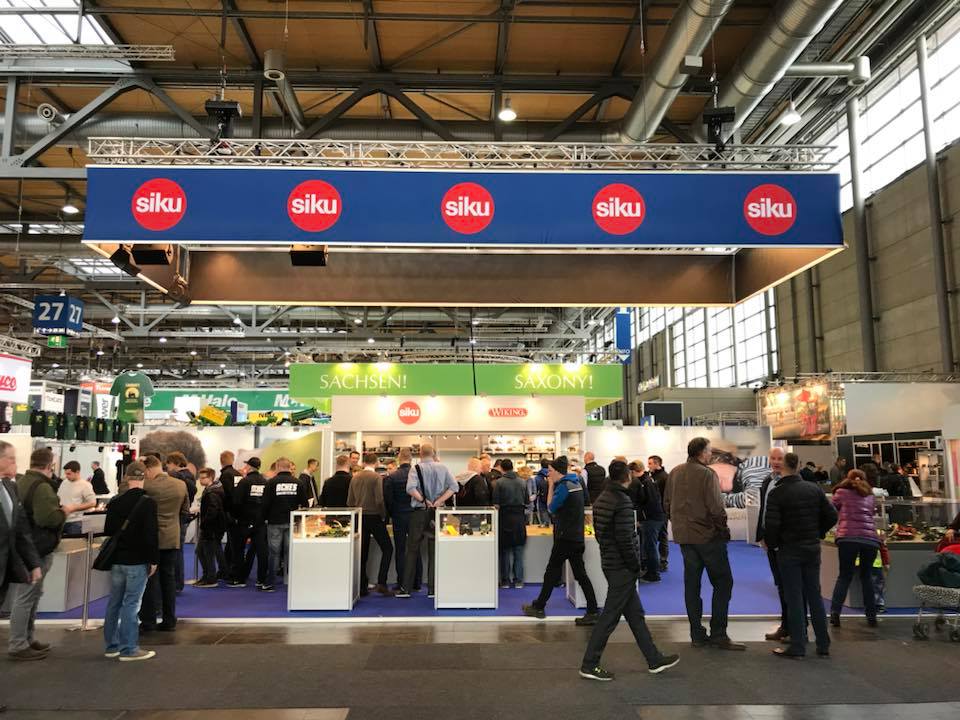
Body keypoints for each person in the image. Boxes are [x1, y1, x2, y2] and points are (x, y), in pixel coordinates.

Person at [580, 460, 680, 682]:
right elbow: (626, 539)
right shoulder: (622, 502)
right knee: (609, 617)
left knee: (635, 615)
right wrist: (635, 565)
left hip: (611, 562)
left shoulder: (602, 499)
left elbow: (601, 534)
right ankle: (589, 663)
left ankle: (654, 659)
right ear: (627, 476)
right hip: (622, 567)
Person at [664, 437, 744, 651]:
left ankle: (697, 634)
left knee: (692, 585)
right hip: (708, 537)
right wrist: (723, 531)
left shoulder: (675, 472)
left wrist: (679, 524)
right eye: (709, 451)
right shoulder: (707, 474)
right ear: (702, 452)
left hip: (684, 538)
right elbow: (716, 507)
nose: (711, 454)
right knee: (723, 583)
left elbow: (667, 504)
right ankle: (719, 633)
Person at [762, 452, 837, 659]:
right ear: (798, 466)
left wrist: (773, 545)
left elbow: (772, 526)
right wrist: (817, 532)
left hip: (789, 551)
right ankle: (823, 643)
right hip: (811, 549)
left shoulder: (777, 493)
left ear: (784, 467)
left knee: (794, 597)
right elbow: (832, 516)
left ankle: (798, 645)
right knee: (814, 595)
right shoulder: (813, 489)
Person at [8, 448, 72, 660]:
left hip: (27, 545)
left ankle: (27, 639)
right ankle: (19, 643)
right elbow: (47, 519)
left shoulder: (21, 483)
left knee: (31, 595)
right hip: (37, 547)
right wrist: (63, 512)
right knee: (27, 596)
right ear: (49, 465)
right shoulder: (42, 487)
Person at [523, 456, 599, 625]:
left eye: (550, 471)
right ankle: (593, 610)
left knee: (552, 572)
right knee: (579, 574)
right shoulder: (577, 483)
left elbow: (551, 507)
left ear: (558, 471)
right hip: (576, 536)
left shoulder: (564, 487)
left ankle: (539, 606)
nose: (548, 474)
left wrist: (551, 486)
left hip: (565, 537)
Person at [101, 462, 159, 662]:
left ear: (126, 477)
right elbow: (151, 534)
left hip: (117, 559)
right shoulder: (148, 503)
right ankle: (129, 648)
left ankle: (111, 646)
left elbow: (109, 530)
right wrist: (153, 559)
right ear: (144, 476)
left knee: (114, 603)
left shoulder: (116, 501)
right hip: (137, 560)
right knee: (132, 604)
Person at [396, 443, 458, 598]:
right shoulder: (443, 467)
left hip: (419, 512)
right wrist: (439, 501)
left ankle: (406, 589)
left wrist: (424, 500)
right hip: (437, 512)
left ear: (420, 454)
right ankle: (432, 589)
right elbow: (454, 487)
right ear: (433, 454)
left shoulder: (415, 468)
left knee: (412, 550)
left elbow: (410, 488)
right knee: (434, 550)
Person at [0, 442, 42, 660]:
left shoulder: (10, 487)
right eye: (11, 458)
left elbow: (21, 530)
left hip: (5, 568)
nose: (15, 463)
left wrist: (33, 563)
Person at [137, 454, 188, 632]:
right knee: (169, 579)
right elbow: (185, 511)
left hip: (150, 538)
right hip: (172, 537)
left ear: (148, 469)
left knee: (149, 580)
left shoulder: (146, 485)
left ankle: (148, 620)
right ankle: (169, 619)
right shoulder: (180, 485)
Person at [829, 469, 880, 628]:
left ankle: (835, 613)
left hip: (847, 538)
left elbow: (831, 510)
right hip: (870, 539)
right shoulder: (870, 495)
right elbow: (872, 513)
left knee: (844, 576)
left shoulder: (841, 492)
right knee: (866, 577)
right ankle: (871, 616)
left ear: (847, 478)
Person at [755, 448, 789, 642]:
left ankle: (793, 626)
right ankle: (786, 626)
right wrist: (761, 534)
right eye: (773, 458)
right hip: (770, 542)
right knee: (780, 585)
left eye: (780, 458)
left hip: (786, 543)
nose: (776, 462)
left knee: (789, 586)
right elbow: (763, 509)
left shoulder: (791, 482)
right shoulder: (767, 481)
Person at [348, 453, 394, 597]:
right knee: (388, 548)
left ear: (363, 462)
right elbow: (379, 499)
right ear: (376, 463)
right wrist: (383, 515)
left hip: (359, 517)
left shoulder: (355, 477)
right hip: (374, 516)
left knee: (362, 552)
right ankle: (382, 582)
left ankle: (362, 586)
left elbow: (350, 501)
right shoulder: (376, 477)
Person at [261, 457, 309, 590]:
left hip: (274, 521)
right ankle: (293, 581)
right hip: (292, 522)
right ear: (289, 467)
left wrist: (264, 518)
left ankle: (270, 583)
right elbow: (305, 503)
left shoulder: (271, 483)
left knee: (274, 553)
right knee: (291, 551)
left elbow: (265, 504)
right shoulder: (298, 482)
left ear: (277, 467)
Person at [384, 448, 421, 592]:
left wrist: (392, 513)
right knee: (415, 548)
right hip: (415, 515)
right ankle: (417, 581)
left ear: (399, 459)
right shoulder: (417, 475)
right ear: (411, 459)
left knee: (400, 550)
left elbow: (388, 500)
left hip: (398, 516)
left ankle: (402, 582)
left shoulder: (392, 477)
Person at [231, 457, 269, 590]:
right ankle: (261, 579)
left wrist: (236, 517)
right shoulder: (265, 482)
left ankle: (240, 578)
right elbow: (267, 502)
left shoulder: (244, 482)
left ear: (249, 467)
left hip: (244, 521)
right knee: (262, 551)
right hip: (260, 522)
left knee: (239, 549)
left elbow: (236, 502)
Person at [628, 461, 665, 583]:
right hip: (653, 517)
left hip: (651, 519)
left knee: (650, 547)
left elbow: (649, 503)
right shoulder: (647, 480)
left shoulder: (645, 483)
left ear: (633, 471)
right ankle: (651, 571)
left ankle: (653, 574)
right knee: (649, 546)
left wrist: (641, 518)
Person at [163, 451, 196, 593]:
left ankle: (176, 584)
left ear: (175, 463)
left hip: (178, 517)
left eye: (169, 463)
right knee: (178, 550)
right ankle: (177, 583)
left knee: (176, 551)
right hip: (182, 517)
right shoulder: (189, 476)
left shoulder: (180, 477)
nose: (168, 466)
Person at [493, 459, 527, 589]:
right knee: (518, 552)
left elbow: (496, 504)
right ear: (512, 467)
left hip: (504, 519)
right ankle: (519, 580)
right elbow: (527, 501)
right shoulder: (522, 482)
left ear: (501, 468)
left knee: (505, 552)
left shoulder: (499, 483)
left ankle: (505, 580)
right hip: (519, 519)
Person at [195, 468, 227, 588]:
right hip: (213, 527)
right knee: (204, 551)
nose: (200, 480)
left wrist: (204, 523)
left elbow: (213, 510)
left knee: (205, 553)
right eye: (200, 477)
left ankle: (210, 578)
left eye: (203, 477)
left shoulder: (212, 492)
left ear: (210, 478)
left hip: (211, 528)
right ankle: (210, 575)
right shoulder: (212, 490)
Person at [218, 451, 241, 583]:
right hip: (238, 513)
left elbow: (225, 495)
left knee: (232, 544)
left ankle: (229, 570)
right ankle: (227, 568)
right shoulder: (238, 474)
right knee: (233, 543)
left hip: (228, 513)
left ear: (221, 460)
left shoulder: (225, 475)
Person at [58, 460, 96, 536]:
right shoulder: (64, 483)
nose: (66, 476)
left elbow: (92, 503)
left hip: (76, 522)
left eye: (69, 474)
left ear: (77, 472)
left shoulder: (85, 485)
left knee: (73, 543)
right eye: (66, 474)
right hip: (62, 520)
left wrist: (74, 508)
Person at [647, 456, 670, 572]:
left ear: (657, 464)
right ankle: (655, 561)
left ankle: (663, 561)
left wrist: (665, 510)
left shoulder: (665, 477)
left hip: (662, 512)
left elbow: (667, 495)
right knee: (653, 538)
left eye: (650, 463)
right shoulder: (651, 476)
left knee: (663, 537)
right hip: (653, 512)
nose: (648, 465)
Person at [532, 459, 551, 527]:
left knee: (544, 523)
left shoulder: (537, 478)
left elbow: (535, 491)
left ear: (541, 465)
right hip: (552, 499)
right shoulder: (552, 475)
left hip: (541, 500)